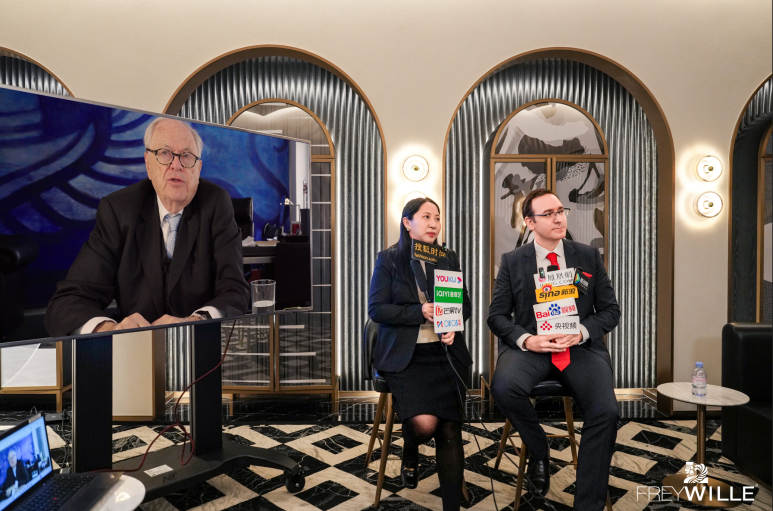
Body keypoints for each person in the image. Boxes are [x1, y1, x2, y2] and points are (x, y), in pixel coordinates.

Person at [45, 118, 250, 337]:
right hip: (136, 347)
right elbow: (67, 303)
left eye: (187, 156)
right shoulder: (119, 210)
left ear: (198, 169)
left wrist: (196, 322)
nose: (176, 165)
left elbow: (235, 290)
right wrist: (111, 330)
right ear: (148, 163)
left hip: (199, 342)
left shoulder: (216, 203)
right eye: (165, 153)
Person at [488, 189, 620, 511]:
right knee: (503, 388)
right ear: (530, 222)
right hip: (531, 349)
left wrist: (581, 331)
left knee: (606, 411)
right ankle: (539, 450)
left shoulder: (587, 256)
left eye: (561, 211)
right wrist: (526, 339)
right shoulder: (512, 261)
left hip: (579, 348)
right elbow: (497, 316)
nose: (558, 218)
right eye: (548, 214)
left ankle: (587, 505)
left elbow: (610, 311)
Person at [368, 197, 472, 511]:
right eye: (426, 217)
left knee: (449, 428)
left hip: (445, 353)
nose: (433, 224)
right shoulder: (389, 259)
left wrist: (453, 324)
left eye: (437, 218)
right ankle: (410, 448)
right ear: (407, 222)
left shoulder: (447, 257)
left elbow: (464, 305)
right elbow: (377, 309)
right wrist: (420, 311)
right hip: (406, 356)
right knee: (424, 425)